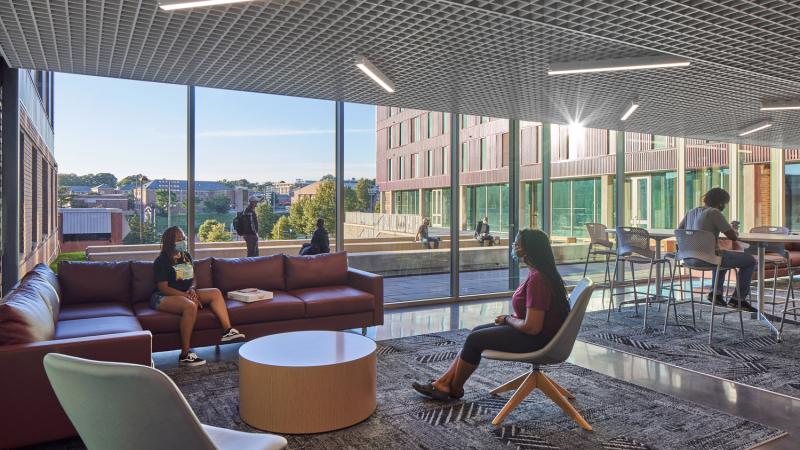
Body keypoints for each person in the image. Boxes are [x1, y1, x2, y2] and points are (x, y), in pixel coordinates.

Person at [412, 228, 570, 400]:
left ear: (527, 250)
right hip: (541, 336)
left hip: (538, 340)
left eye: (516, 244)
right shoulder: (540, 274)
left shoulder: (538, 279)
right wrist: (509, 319)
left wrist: (508, 319)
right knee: (475, 332)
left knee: (475, 340)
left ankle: (454, 388)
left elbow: (532, 327)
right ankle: (444, 383)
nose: (513, 247)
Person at [151, 226, 245, 366]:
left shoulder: (186, 256)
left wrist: (192, 289)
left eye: (183, 238)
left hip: (186, 292)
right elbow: (163, 288)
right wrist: (187, 296)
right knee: (190, 306)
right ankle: (185, 355)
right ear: (170, 242)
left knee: (215, 292)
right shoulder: (161, 261)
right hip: (164, 297)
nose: (183, 241)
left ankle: (227, 330)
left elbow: (193, 278)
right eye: (179, 239)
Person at [678, 187, 757, 312]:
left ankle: (716, 294)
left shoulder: (691, 212)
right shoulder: (714, 212)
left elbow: (679, 231)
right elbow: (733, 237)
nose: (724, 206)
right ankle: (738, 299)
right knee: (750, 260)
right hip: (707, 259)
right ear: (721, 203)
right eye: (725, 203)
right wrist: (734, 228)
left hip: (688, 259)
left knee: (720, 255)